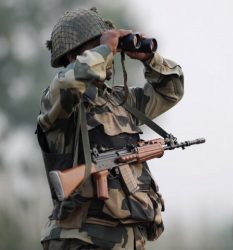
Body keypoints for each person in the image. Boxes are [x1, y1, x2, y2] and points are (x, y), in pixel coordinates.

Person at [36, 7, 184, 250]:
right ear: (74, 56)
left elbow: (172, 90)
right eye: (98, 45)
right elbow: (70, 82)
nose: (111, 53)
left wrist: (149, 58)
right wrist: (105, 48)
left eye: (110, 47)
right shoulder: (58, 102)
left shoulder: (120, 101)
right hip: (82, 240)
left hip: (127, 240)